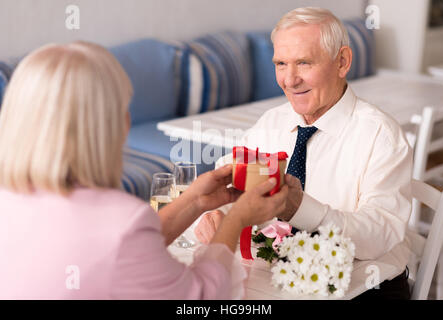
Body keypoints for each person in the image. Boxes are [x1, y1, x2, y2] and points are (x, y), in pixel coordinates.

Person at [0, 41, 288, 299]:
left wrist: (194, 201)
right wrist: (235, 220)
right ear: (118, 125)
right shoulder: (123, 221)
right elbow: (199, 297)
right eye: (125, 109)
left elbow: (119, 255)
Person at [195, 7, 413, 299]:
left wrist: (300, 208)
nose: (289, 79)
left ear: (342, 62)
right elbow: (231, 173)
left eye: (304, 63)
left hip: (367, 287)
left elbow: (379, 236)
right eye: (281, 63)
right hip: (284, 281)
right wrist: (214, 213)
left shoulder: (381, 135)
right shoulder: (273, 122)